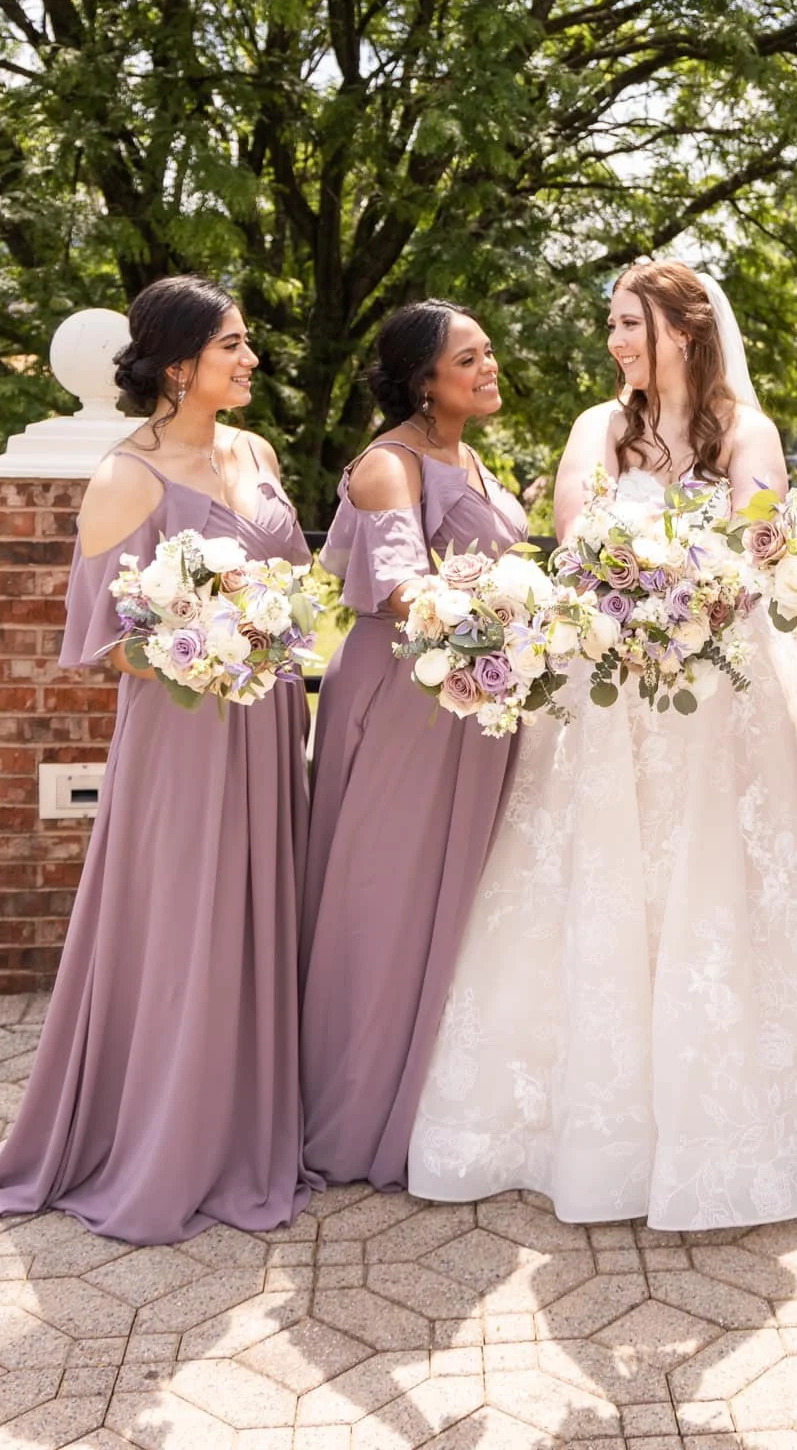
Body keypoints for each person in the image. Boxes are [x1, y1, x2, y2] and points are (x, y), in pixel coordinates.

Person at [406, 259, 797, 1228]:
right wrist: (637, 595)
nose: (613, 341)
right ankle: (577, 1126)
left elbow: (755, 548)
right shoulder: (598, 428)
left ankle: (720, 1123)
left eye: (628, 323)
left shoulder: (747, 432)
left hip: (719, 692)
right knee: (599, 874)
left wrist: (698, 589)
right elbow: (575, 547)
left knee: (711, 877)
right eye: (610, 324)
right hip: (608, 689)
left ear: (683, 332)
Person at [0, 277, 316, 1242]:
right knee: (185, 922)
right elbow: (100, 640)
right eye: (234, 347)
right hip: (183, 733)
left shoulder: (253, 450)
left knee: (257, 912)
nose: (251, 360)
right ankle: (164, 1139)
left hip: (263, 719)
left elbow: (291, 575)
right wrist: (204, 644)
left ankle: (248, 1123)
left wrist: (269, 634)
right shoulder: (126, 476)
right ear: (180, 365)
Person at [299, 300, 527, 1189]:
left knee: (452, 897)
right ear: (421, 379)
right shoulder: (390, 466)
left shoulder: (464, 454)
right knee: (385, 897)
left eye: (488, 350)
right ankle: (354, 1110)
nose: (489, 366)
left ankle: (432, 1096)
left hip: (467, 701)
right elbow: (400, 590)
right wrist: (516, 617)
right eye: (468, 359)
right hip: (404, 702)